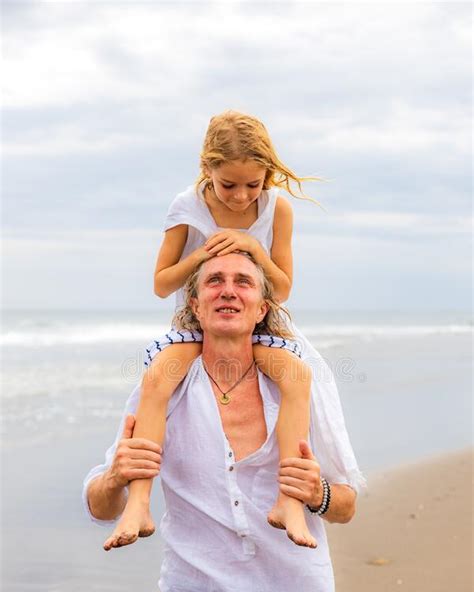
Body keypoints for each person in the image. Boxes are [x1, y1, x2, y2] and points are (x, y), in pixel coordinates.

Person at [83, 251, 363, 592]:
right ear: (195, 304)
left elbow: (348, 505)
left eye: (244, 282)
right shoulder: (166, 385)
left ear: (262, 308)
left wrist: (318, 493)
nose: (228, 289)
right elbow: (99, 506)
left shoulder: (299, 387)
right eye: (214, 280)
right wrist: (116, 476)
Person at [102, 109, 364, 553]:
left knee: (298, 379)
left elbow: (280, 288)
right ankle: (139, 503)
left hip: (265, 319)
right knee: (159, 377)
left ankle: (289, 502)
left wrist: (250, 249)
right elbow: (162, 282)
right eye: (229, 185)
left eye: (253, 184)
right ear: (208, 170)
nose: (242, 197)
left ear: (267, 177)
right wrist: (202, 253)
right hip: (196, 321)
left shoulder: (277, 209)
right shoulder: (187, 205)